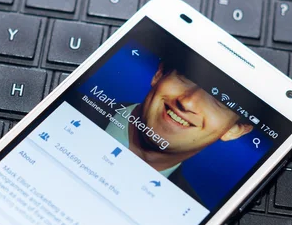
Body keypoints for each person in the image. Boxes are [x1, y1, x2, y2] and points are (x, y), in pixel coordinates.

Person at [78, 61, 254, 203]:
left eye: (221, 100)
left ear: (234, 130)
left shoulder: (191, 216)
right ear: (160, 74)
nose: (188, 102)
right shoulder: (68, 103)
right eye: (187, 77)